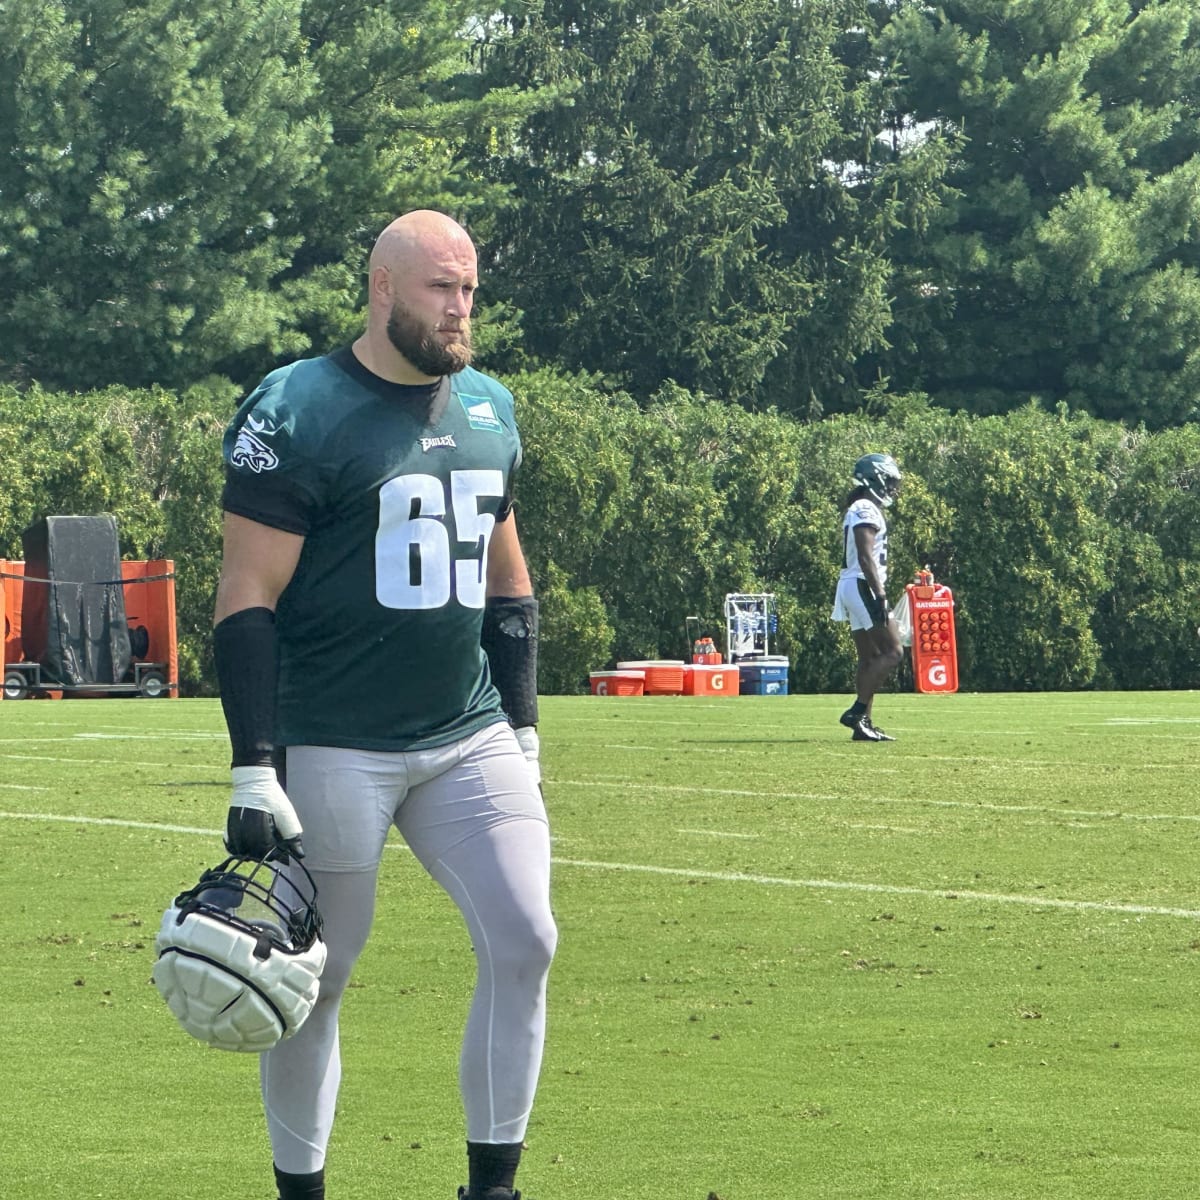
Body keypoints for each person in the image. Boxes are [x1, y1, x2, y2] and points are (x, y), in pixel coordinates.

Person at [211, 209, 557, 1200]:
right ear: (383, 290)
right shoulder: (299, 408)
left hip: (464, 730)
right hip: (334, 739)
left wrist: (524, 724)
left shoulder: (490, 408)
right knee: (312, 980)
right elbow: (246, 595)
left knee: (528, 937)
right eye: (441, 289)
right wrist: (253, 760)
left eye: (470, 291)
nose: (461, 311)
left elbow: (509, 582)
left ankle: (493, 1187)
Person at [831, 452, 904, 742]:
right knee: (893, 652)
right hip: (863, 584)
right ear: (874, 477)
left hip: (854, 585)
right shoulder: (865, 507)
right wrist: (881, 593)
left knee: (869, 657)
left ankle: (863, 724)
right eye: (889, 481)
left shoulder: (861, 506)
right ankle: (858, 711)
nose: (892, 488)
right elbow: (865, 555)